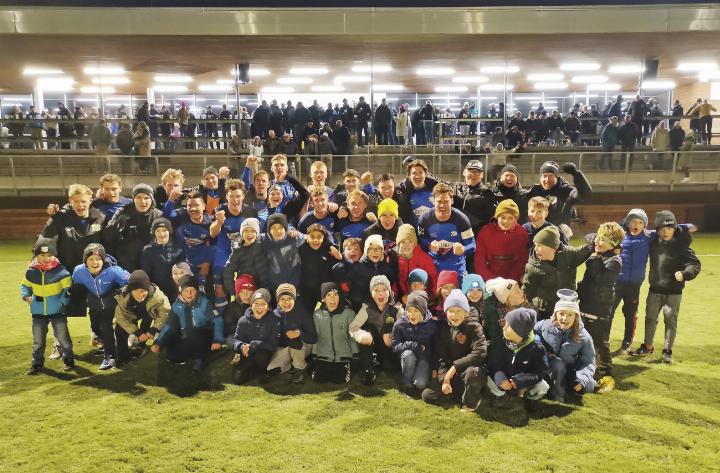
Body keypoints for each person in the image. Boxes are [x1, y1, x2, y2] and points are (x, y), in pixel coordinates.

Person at [630, 211, 701, 363]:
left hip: (673, 292)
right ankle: (647, 346)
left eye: (669, 228)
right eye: (661, 228)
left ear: (675, 228)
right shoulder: (653, 242)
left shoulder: (682, 246)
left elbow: (694, 264)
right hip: (655, 290)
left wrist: (685, 273)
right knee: (650, 318)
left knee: (670, 321)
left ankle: (667, 351)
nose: (665, 231)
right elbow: (636, 229)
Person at [577, 222, 625, 393]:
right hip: (585, 305)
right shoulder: (600, 250)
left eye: (603, 240)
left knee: (599, 343)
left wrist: (594, 256)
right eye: (598, 237)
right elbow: (590, 237)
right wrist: (597, 242)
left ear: (613, 245)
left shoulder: (615, 261)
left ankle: (606, 375)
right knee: (584, 340)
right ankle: (587, 371)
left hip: (599, 309)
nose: (597, 241)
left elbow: (598, 278)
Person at [421, 289, 486, 411]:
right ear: (446, 312)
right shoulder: (443, 327)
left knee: (473, 373)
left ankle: (470, 402)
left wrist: (454, 367)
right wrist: (444, 379)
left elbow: (480, 352)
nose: (454, 315)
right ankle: (458, 394)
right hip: (452, 374)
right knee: (427, 395)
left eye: (458, 311)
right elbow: (441, 357)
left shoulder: (474, 326)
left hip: (468, 371)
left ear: (465, 312)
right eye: (451, 311)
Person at [71, 243, 130, 370]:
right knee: (95, 327)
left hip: (111, 304)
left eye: (98, 259)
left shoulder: (114, 271)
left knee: (105, 327)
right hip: (94, 304)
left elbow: (130, 282)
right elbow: (77, 283)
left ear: (103, 260)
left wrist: (121, 290)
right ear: (85, 260)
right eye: (91, 259)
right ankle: (109, 345)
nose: (95, 262)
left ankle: (111, 356)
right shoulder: (79, 271)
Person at [21, 239, 75, 375]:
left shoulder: (61, 271)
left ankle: (68, 359)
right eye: (42, 255)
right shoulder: (31, 272)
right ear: (36, 256)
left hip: (58, 311)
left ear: (54, 255)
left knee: (63, 338)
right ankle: (37, 363)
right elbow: (25, 286)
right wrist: (27, 297)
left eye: (49, 255)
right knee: (38, 340)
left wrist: (62, 303)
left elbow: (68, 289)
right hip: (38, 311)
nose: (46, 258)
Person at [534, 290, 596, 402]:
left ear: (576, 316)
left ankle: (571, 390)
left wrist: (581, 380)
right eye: (561, 313)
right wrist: (540, 346)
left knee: (589, 384)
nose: (564, 318)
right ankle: (556, 395)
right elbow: (534, 333)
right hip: (546, 367)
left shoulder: (584, 337)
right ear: (555, 313)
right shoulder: (545, 325)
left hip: (569, 373)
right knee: (557, 364)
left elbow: (589, 362)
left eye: (570, 315)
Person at [152, 275, 223, 372]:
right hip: (188, 336)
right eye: (186, 290)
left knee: (196, 334)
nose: (189, 294)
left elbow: (217, 320)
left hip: (204, 334)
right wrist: (158, 342)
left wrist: (217, 340)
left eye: (192, 290)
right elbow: (169, 325)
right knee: (172, 356)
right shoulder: (177, 305)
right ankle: (192, 353)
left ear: (197, 290)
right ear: (180, 291)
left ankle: (199, 359)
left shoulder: (204, 302)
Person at [209, 179, 258, 312]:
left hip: (243, 251)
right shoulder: (220, 210)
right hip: (224, 250)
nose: (235, 200)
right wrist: (219, 222)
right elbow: (212, 234)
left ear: (243, 196)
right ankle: (222, 317)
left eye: (238, 196)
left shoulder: (251, 212)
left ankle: (245, 314)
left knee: (246, 285)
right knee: (219, 280)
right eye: (231, 196)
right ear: (226, 197)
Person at [487, 307, 550, 411]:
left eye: (508, 326)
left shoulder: (537, 348)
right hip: (504, 380)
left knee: (543, 387)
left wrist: (521, 380)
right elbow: (494, 364)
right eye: (505, 324)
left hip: (522, 382)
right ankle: (500, 396)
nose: (504, 328)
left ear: (519, 332)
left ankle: (527, 399)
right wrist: (500, 378)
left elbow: (541, 371)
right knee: (489, 379)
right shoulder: (499, 342)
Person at [523, 226, 592, 320]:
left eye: (539, 245)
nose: (535, 249)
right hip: (544, 312)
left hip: (566, 308)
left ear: (552, 248)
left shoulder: (569, 255)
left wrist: (596, 238)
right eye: (535, 245)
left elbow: (587, 249)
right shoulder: (533, 267)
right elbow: (527, 290)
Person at [417, 183, 475, 280]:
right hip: (433, 266)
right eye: (439, 201)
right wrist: (429, 246)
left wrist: (463, 249)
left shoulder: (461, 219)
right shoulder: (425, 219)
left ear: (452, 201)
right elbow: (421, 242)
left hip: (456, 267)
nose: (442, 205)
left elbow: (472, 245)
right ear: (433, 201)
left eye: (446, 201)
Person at [350, 275, 401, 386]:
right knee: (367, 332)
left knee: (391, 368)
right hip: (371, 342)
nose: (381, 294)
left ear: (389, 292)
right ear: (371, 293)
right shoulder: (366, 308)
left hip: (388, 344)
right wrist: (360, 335)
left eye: (384, 290)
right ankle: (369, 369)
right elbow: (353, 327)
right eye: (376, 290)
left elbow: (405, 329)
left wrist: (394, 336)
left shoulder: (396, 309)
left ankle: (381, 361)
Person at [113, 270, 170, 365]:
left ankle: (142, 346)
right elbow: (120, 317)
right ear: (130, 290)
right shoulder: (124, 297)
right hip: (133, 313)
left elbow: (165, 313)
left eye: (143, 291)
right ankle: (123, 358)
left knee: (148, 323)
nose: (140, 295)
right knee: (119, 329)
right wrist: (137, 332)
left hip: (150, 313)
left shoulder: (159, 296)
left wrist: (154, 329)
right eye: (135, 291)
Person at [103, 183, 163, 272]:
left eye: (146, 198)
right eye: (139, 197)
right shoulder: (122, 212)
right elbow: (107, 236)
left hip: (150, 263)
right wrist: (118, 224)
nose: (143, 201)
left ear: (152, 199)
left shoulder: (158, 215)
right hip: (126, 263)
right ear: (133, 199)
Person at [163, 190, 214, 291]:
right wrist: (171, 200)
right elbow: (166, 214)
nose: (193, 208)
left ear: (204, 206)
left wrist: (207, 263)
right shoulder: (181, 216)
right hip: (184, 265)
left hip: (203, 265)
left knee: (205, 294)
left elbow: (214, 245)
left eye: (196, 205)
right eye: (190, 205)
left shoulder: (211, 222)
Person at [266, 284, 317, 383]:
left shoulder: (303, 313)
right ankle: (289, 366)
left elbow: (313, 338)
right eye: (282, 299)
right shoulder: (274, 315)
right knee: (271, 369)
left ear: (294, 299)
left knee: (295, 343)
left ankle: (300, 367)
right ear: (278, 300)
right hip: (285, 346)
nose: (286, 302)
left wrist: (299, 334)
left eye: (289, 298)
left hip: (303, 345)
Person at [392, 290, 439, 396]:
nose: (412, 315)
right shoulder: (399, 324)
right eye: (409, 310)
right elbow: (395, 346)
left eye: (416, 311)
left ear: (423, 311)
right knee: (408, 355)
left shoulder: (432, 325)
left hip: (424, 358)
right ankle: (406, 381)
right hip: (408, 356)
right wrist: (413, 345)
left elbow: (436, 348)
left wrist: (435, 368)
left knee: (420, 384)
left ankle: (417, 376)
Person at [230, 288, 281, 384]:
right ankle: (252, 369)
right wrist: (241, 346)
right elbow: (236, 340)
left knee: (260, 356)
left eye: (263, 304)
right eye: (256, 304)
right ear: (251, 304)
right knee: (237, 380)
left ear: (268, 306)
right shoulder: (243, 320)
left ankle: (262, 372)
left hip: (265, 352)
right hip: (247, 353)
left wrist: (254, 344)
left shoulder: (274, 320)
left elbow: (273, 344)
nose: (259, 307)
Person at [311, 282, 358, 383]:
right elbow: (316, 335)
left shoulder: (348, 313)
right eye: (329, 295)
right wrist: (314, 355)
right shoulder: (317, 314)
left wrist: (355, 354)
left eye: (335, 294)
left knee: (339, 380)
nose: (333, 299)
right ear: (323, 299)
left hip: (343, 356)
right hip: (324, 356)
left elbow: (352, 336)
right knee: (318, 379)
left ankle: (343, 368)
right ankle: (323, 368)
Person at [525, 161, 592, 230]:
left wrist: (576, 174)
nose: (547, 179)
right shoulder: (535, 191)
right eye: (544, 176)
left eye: (551, 176)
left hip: (560, 235)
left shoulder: (566, 191)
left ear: (556, 177)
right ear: (540, 178)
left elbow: (585, 193)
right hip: (538, 234)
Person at [474, 199, 528, 283]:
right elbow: (479, 261)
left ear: (516, 219)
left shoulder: (522, 233)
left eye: (511, 218)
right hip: (489, 280)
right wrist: (493, 281)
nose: (506, 221)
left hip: (513, 280)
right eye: (503, 217)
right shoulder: (485, 232)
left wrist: (510, 280)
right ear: (497, 217)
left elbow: (522, 260)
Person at [298, 224, 342, 312]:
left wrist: (340, 257)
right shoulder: (301, 249)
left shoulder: (328, 250)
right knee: (308, 313)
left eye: (319, 237)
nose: (315, 240)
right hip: (306, 290)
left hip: (323, 290)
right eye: (312, 237)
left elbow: (338, 265)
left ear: (323, 238)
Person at [141, 217, 186, 302]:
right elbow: (145, 271)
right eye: (158, 231)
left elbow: (185, 267)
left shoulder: (179, 247)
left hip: (176, 289)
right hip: (157, 290)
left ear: (169, 231)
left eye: (164, 230)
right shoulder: (148, 250)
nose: (161, 234)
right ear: (154, 233)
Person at [223, 218, 269, 297]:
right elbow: (228, 272)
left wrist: (290, 230)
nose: (249, 234)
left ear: (257, 232)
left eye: (253, 231)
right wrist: (235, 291)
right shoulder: (238, 250)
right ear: (241, 233)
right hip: (247, 289)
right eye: (246, 231)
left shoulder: (263, 241)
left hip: (265, 287)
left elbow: (277, 236)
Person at [394, 223, 438, 302]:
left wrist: (431, 298)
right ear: (398, 244)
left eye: (410, 241)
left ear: (414, 243)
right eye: (403, 242)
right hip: (401, 298)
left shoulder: (424, 258)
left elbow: (434, 279)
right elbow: (392, 281)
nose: (406, 245)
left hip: (421, 297)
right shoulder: (393, 258)